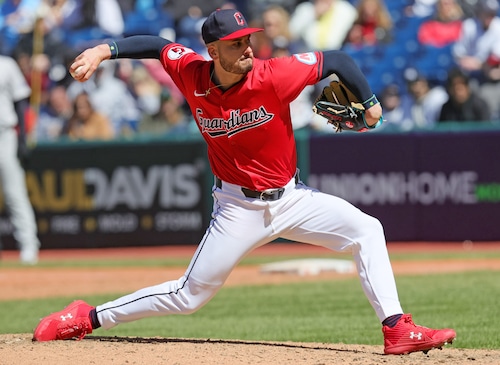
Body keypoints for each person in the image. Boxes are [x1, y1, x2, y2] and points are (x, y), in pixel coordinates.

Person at [32, 8, 456, 355]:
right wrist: (104, 50)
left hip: (292, 199)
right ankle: (87, 317)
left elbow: (339, 62)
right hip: (237, 209)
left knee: (368, 229)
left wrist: (370, 104)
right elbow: (159, 47)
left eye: (248, 39)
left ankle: (397, 328)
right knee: (188, 297)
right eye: (236, 43)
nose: (247, 48)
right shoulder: (191, 73)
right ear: (213, 50)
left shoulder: (274, 74)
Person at [0, 55, 41, 264]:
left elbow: (20, 102)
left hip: (5, 134)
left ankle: (29, 246)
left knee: (14, 194)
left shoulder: (6, 64)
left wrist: (23, 138)